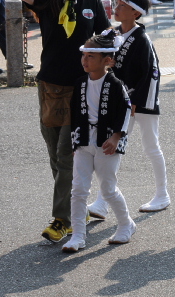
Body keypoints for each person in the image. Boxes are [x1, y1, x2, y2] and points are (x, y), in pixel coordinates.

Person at [0, 0, 111, 242]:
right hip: (49, 87)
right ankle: (76, 206)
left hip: (81, 90)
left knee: (67, 154)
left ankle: (62, 219)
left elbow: (107, 39)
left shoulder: (92, 0)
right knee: (55, 153)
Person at [88, 0, 170, 217]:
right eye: (116, 4)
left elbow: (151, 72)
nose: (116, 8)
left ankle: (162, 194)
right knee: (111, 146)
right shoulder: (111, 34)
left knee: (151, 146)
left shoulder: (142, 39)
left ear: (136, 13)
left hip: (140, 100)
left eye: (122, 6)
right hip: (120, 99)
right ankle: (102, 201)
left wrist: (136, 100)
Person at [61, 29, 134, 252]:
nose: (85, 60)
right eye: (84, 55)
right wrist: (74, 142)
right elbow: (75, 114)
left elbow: (126, 110)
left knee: (108, 189)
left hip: (107, 142)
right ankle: (78, 236)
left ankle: (126, 225)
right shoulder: (80, 83)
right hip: (84, 141)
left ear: (107, 61)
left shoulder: (115, 85)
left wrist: (116, 137)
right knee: (78, 190)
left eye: (91, 56)